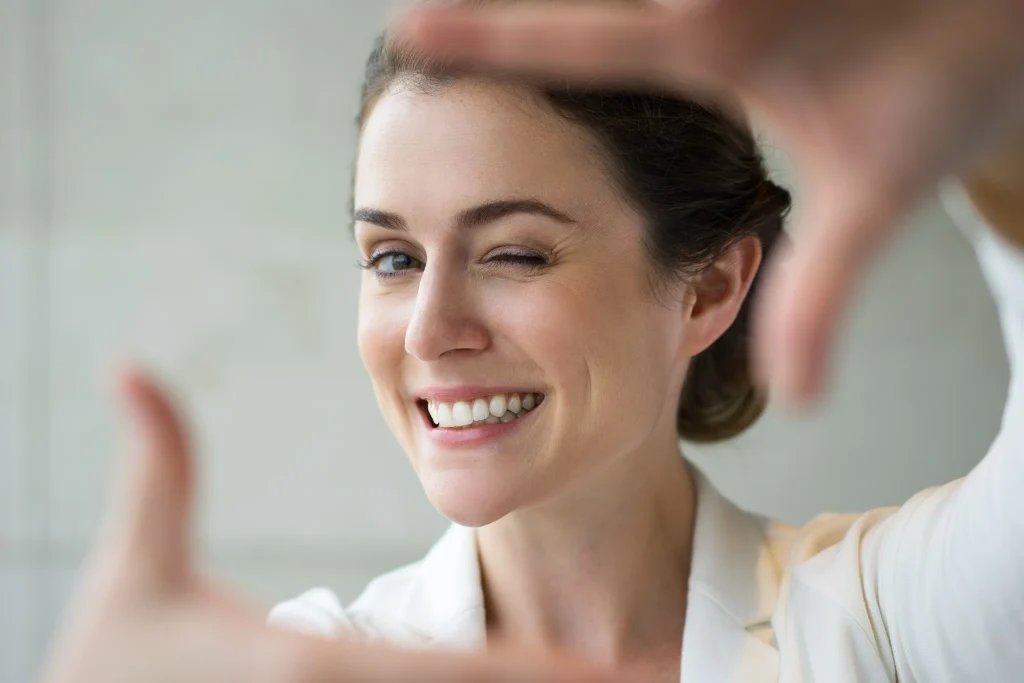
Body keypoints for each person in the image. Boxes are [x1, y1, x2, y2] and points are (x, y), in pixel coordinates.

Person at [36, 1, 1024, 683]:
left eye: (512, 252)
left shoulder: (884, 619)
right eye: (390, 257)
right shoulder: (319, 657)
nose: (428, 329)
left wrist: (1003, 131)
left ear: (707, 287)